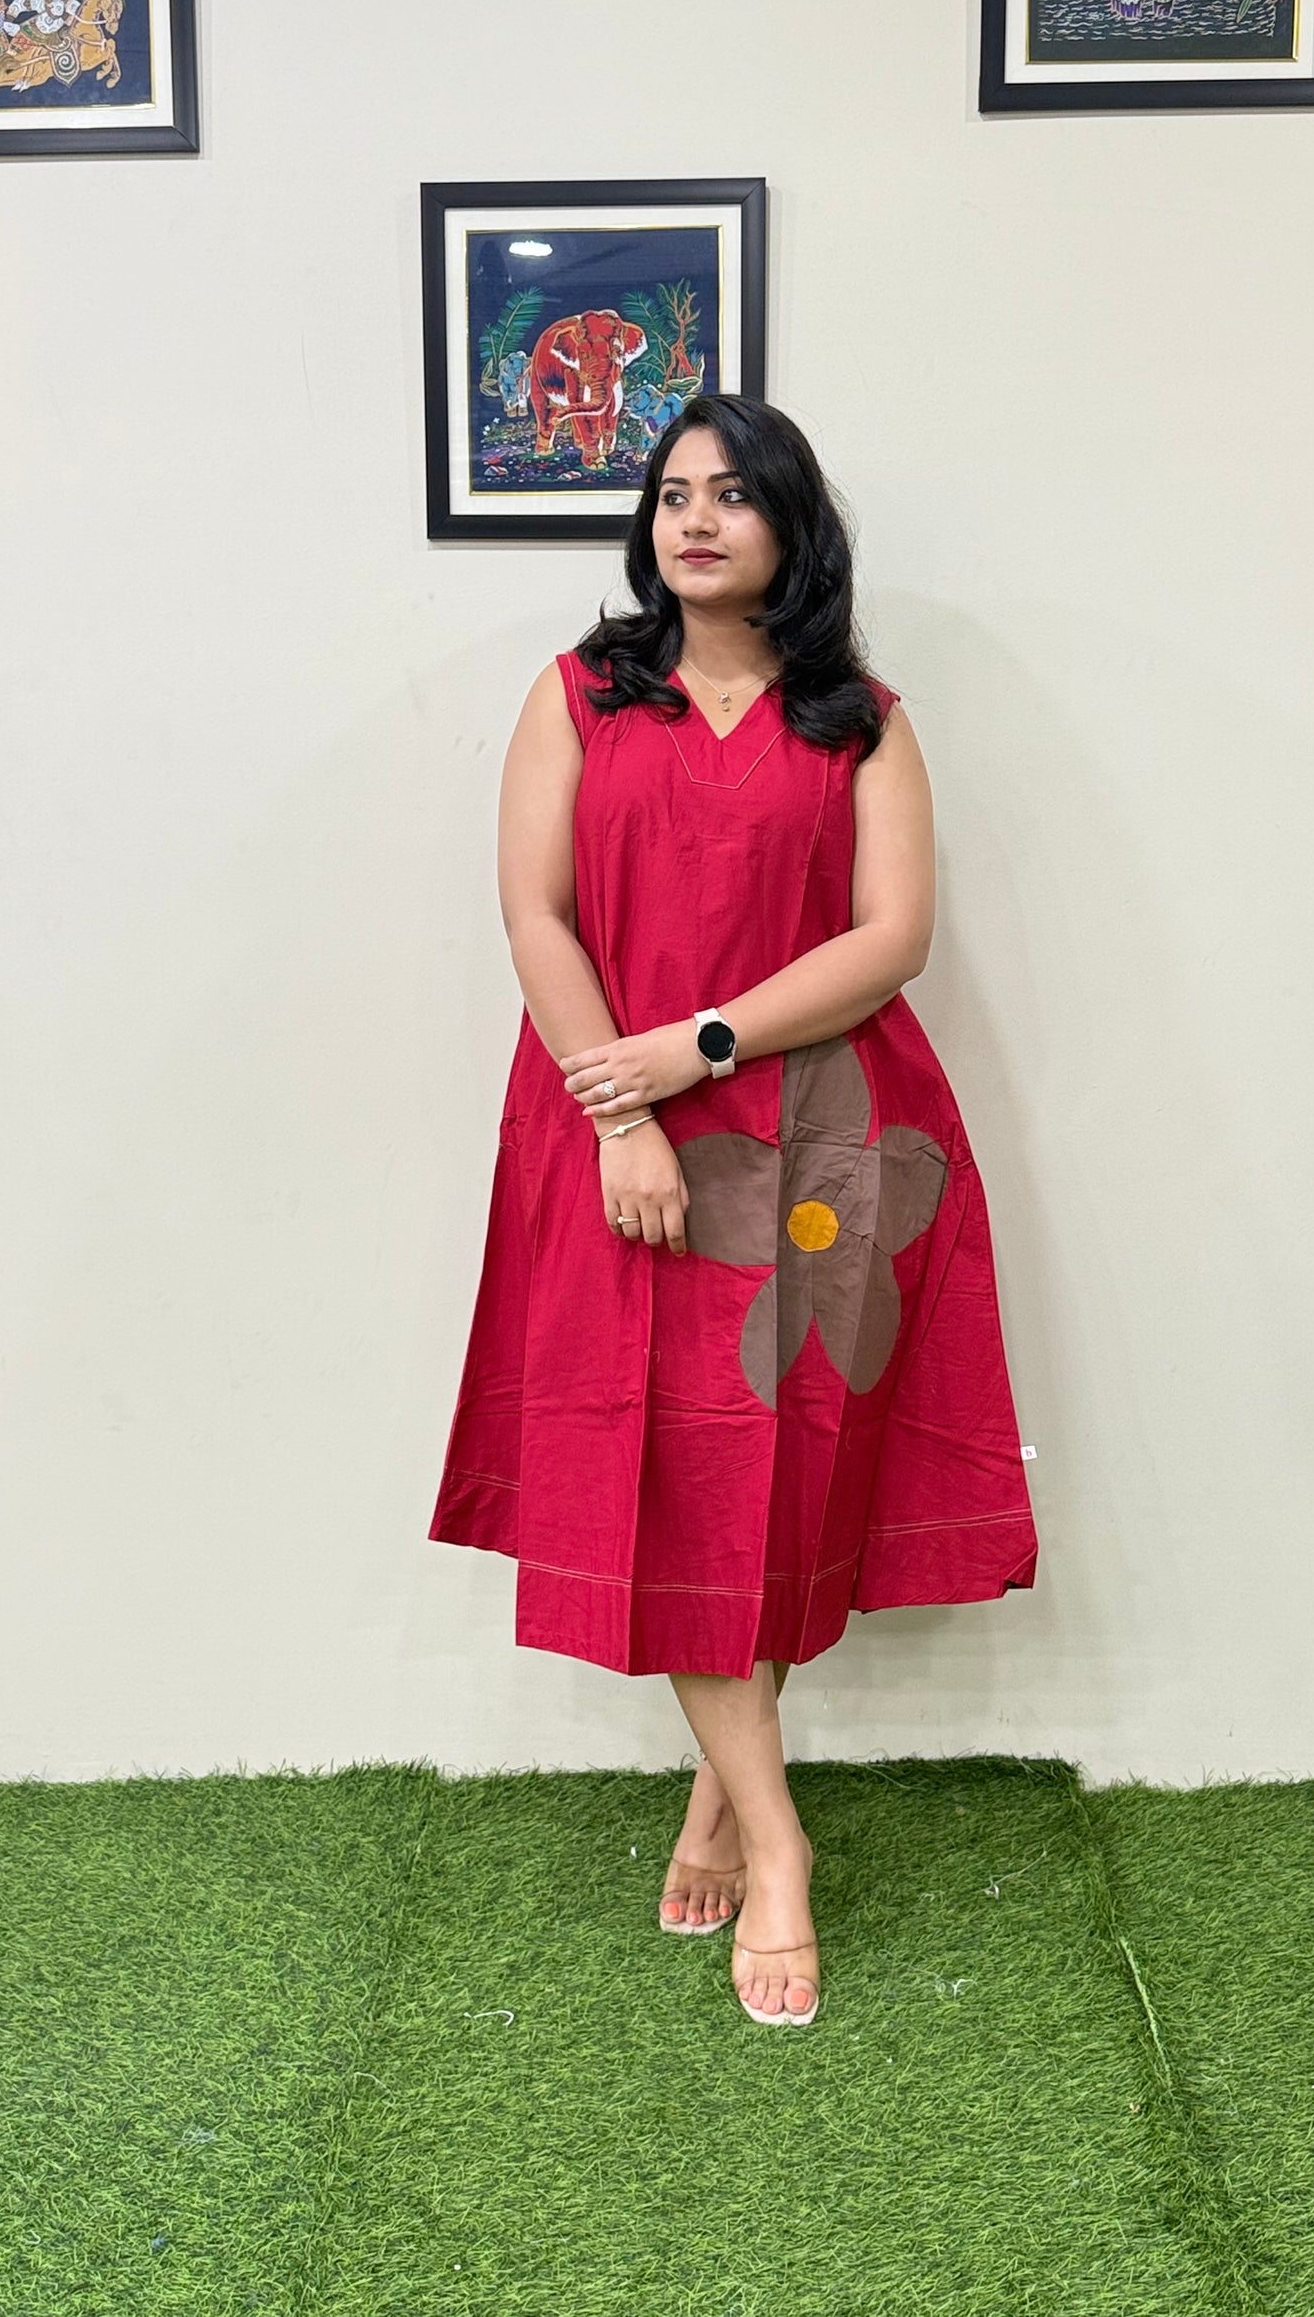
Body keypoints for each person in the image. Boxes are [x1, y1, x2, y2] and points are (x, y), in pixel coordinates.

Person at [430, 395, 1038, 2029]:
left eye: (731, 495)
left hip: (825, 1131)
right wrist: (625, 1111)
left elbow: (891, 937)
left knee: (780, 1467)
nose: (693, 520)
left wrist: (693, 1046)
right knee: (679, 1475)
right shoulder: (578, 695)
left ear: (790, 524)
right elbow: (535, 915)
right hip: (614, 1135)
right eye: (670, 494)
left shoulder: (862, 722)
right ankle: (778, 1843)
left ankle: (716, 1794)